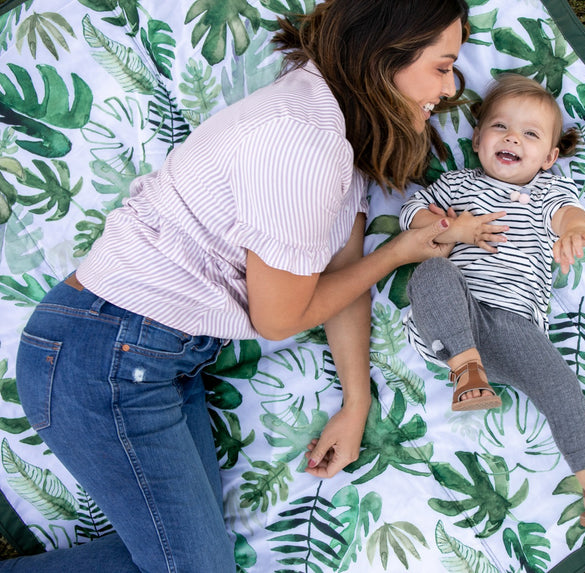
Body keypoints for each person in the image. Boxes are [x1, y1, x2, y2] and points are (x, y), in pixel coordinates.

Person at [7, 1, 468, 571]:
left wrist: (356, 402)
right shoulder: (305, 143)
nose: (449, 90)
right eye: (442, 66)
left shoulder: (333, 134)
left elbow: (339, 278)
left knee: (178, 560)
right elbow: (279, 318)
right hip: (106, 355)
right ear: (383, 57)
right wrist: (399, 251)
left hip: (146, 357)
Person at [400, 74, 585, 529]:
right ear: (478, 137)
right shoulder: (458, 184)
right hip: (453, 319)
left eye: (529, 134)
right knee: (432, 274)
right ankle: (466, 369)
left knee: (561, 388)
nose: (511, 138)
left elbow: (569, 212)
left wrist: (574, 230)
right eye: (500, 126)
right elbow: (413, 214)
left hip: (515, 329)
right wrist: (454, 228)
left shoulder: (546, 193)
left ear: (549, 157)